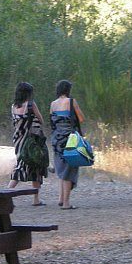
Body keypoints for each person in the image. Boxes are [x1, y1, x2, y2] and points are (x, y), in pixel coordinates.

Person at [8, 82, 47, 206]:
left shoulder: (13, 106)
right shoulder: (30, 105)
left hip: (18, 140)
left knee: (21, 166)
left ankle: (8, 193)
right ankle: (6, 194)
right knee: (33, 167)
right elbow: (41, 120)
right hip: (30, 142)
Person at [50, 79, 85, 209]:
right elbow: (81, 118)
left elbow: (52, 123)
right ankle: (66, 203)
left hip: (57, 140)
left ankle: (60, 198)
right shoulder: (72, 102)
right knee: (69, 171)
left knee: (62, 169)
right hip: (70, 140)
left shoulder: (53, 104)